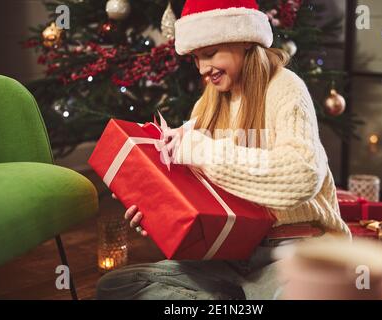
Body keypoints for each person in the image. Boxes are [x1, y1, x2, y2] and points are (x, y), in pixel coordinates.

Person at [96, 0, 351, 300]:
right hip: (230, 252)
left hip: (294, 248)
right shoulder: (208, 102)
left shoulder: (286, 88)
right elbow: (201, 195)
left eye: (209, 54)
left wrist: (203, 152)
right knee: (117, 287)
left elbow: (302, 174)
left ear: (243, 40)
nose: (203, 69)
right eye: (195, 58)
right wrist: (156, 207)